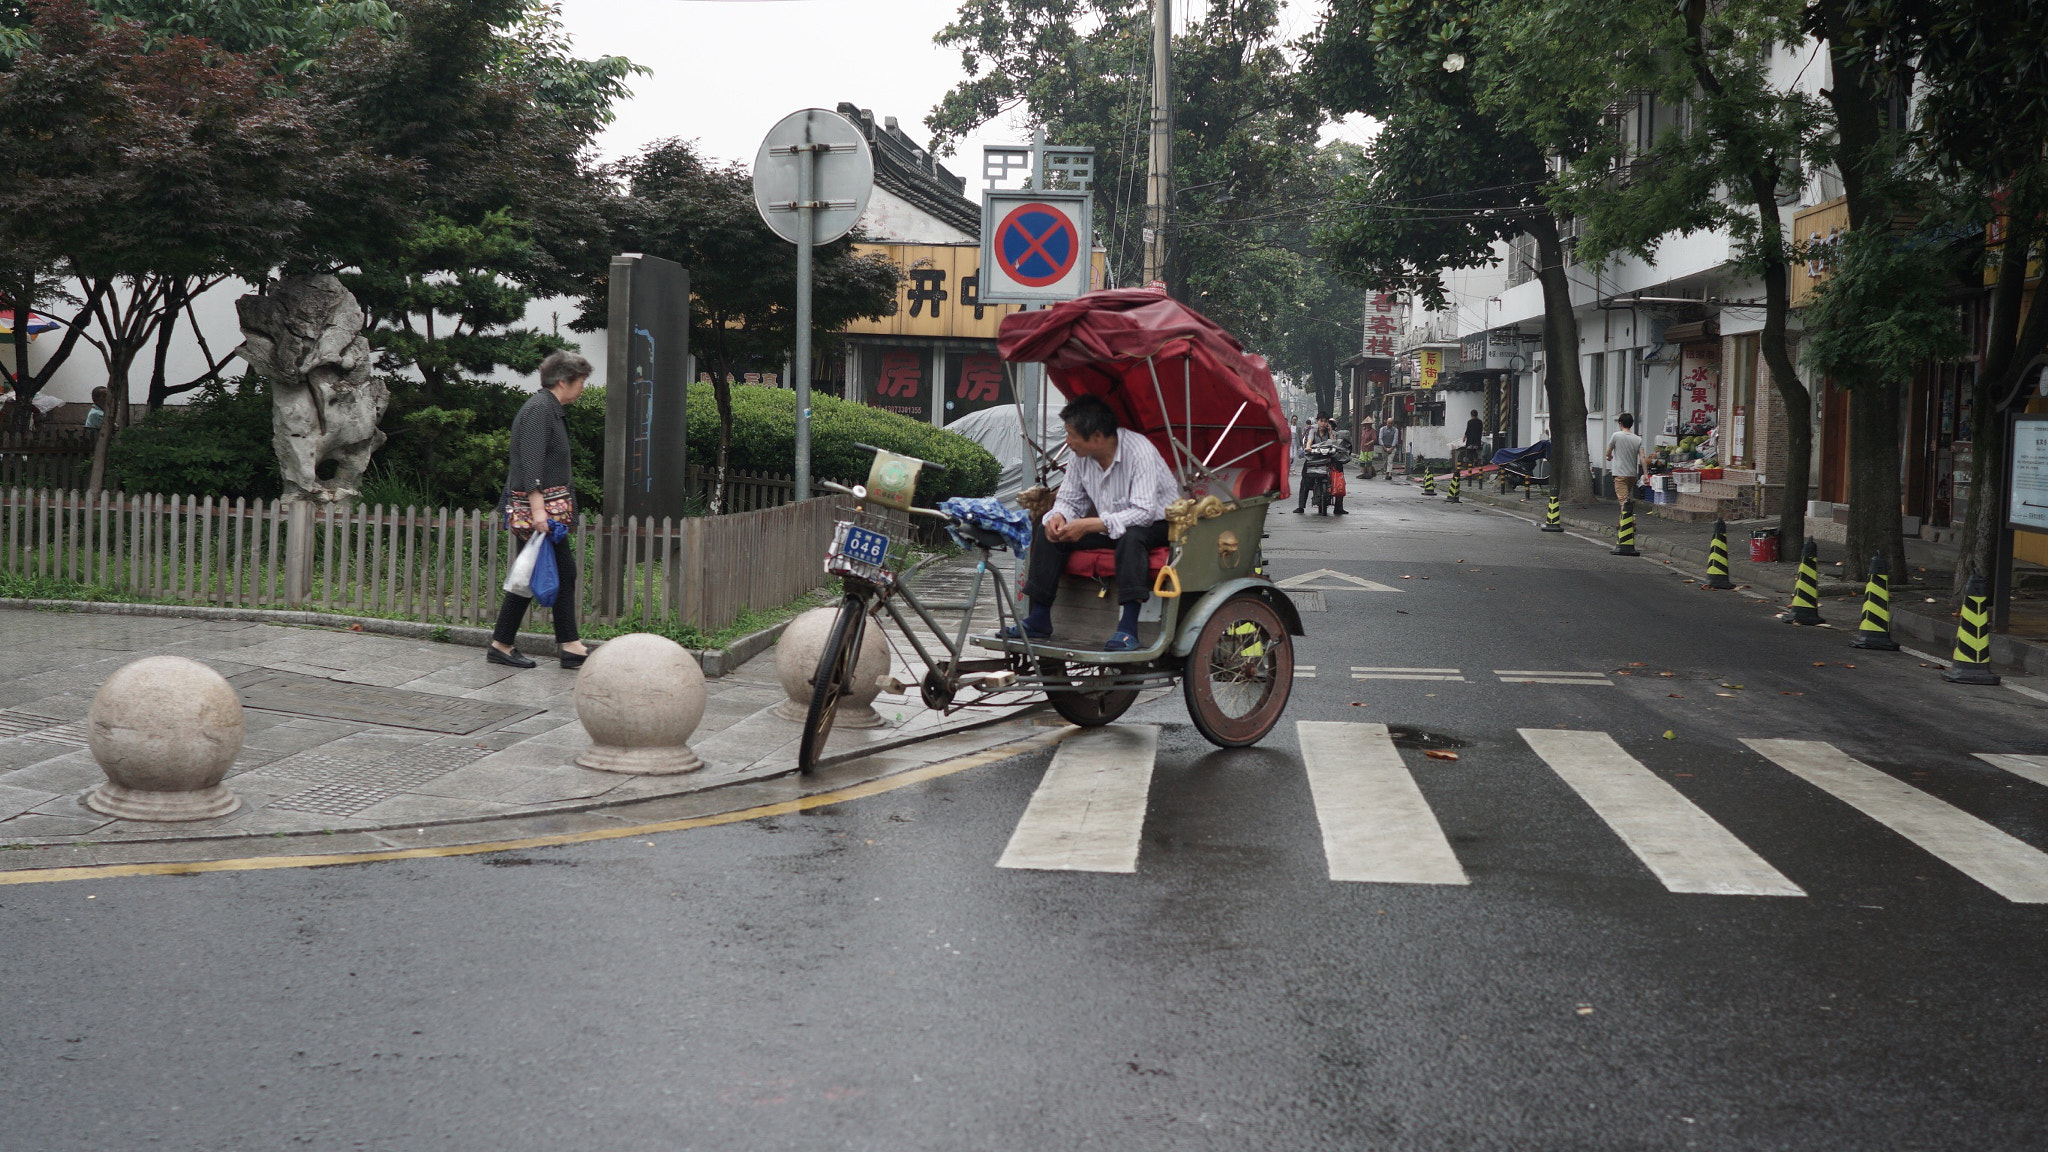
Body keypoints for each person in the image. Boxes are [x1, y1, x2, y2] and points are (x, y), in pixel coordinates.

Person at [1009, 395, 1180, 651]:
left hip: (1155, 524)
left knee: (1132, 536)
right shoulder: (1081, 456)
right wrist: (1059, 518)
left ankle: (1128, 628)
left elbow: (1143, 512)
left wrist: (1090, 525)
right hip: (1109, 524)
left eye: (1071, 435)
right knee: (1046, 531)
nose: (1067, 442)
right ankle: (1039, 618)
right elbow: (1069, 500)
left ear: (1097, 437)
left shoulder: (1140, 451)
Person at [489, 351, 595, 671]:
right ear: (563, 381)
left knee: (541, 572)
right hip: (539, 514)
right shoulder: (539, 410)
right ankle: (553, 644)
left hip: (543, 512)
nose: (583, 388)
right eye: (581, 382)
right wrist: (539, 515)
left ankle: (560, 644)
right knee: (548, 573)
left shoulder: (551, 409)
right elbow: (531, 464)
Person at [1293, 417, 1336, 513]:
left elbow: (1334, 443)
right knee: (1305, 480)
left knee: (1338, 474)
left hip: (1326, 459)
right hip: (1313, 458)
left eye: (1325, 421)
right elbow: (1309, 441)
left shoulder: (1329, 432)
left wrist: (1330, 432)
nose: (1323, 423)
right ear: (1317, 421)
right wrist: (1308, 447)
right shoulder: (1313, 431)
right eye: (1321, 421)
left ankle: (1338, 507)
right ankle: (1301, 506)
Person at [1605, 412, 1644, 508]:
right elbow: (1642, 457)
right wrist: (1646, 474)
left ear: (1620, 423)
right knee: (1625, 497)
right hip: (1632, 474)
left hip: (1619, 474)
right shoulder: (1638, 439)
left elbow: (1607, 452)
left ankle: (1630, 522)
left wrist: (1609, 457)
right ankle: (1621, 521)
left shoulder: (1616, 436)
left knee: (1623, 501)